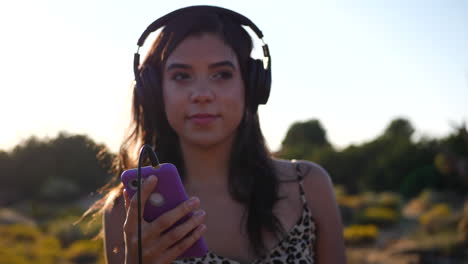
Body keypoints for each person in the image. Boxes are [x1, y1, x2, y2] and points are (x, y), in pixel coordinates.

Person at [91, 5, 346, 264]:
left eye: (222, 74)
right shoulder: (128, 213)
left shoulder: (310, 186)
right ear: (155, 93)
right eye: (181, 76)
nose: (202, 94)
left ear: (252, 85)